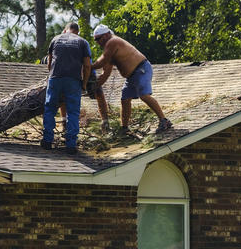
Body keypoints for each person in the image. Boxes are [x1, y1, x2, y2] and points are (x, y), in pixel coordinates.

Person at [90, 25, 173, 136]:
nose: (97, 42)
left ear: (106, 35)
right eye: (95, 40)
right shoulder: (109, 50)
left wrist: (87, 67)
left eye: (98, 39)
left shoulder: (112, 42)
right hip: (131, 77)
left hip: (141, 70)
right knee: (125, 99)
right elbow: (106, 73)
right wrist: (94, 88)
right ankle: (124, 128)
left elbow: (101, 62)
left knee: (144, 95)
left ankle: (164, 120)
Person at [41, 22, 92, 154]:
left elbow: (50, 61)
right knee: (73, 112)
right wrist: (84, 83)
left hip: (55, 78)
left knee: (50, 109)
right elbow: (87, 66)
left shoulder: (56, 39)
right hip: (73, 80)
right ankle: (71, 145)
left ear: (65, 30)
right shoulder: (83, 42)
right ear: (77, 32)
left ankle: (47, 141)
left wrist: (51, 75)